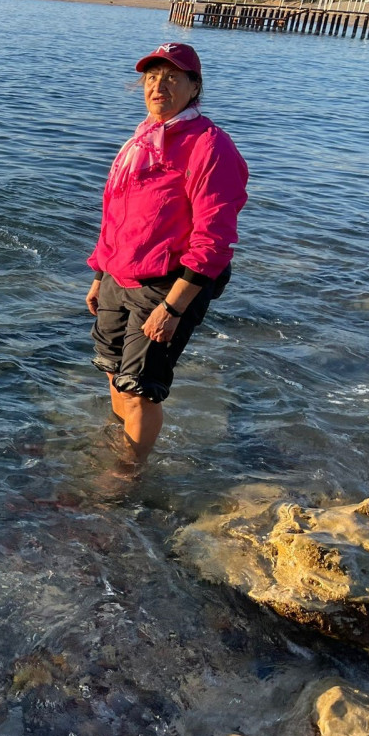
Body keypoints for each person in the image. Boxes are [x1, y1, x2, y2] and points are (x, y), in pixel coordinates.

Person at [84, 41, 248, 461]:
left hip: (166, 285)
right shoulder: (142, 140)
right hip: (119, 276)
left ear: (194, 87)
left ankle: (127, 476)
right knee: (112, 373)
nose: (159, 85)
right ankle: (122, 443)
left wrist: (173, 309)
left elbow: (214, 240)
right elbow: (117, 211)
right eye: (152, 77)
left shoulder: (209, 146)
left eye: (173, 77)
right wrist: (100, 273)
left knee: (139, 390)